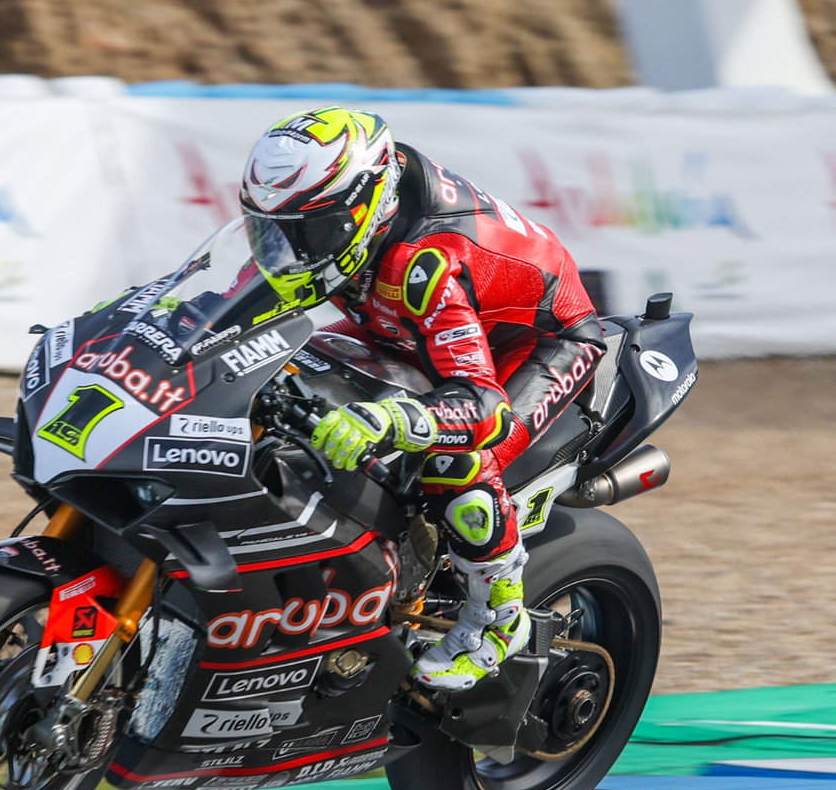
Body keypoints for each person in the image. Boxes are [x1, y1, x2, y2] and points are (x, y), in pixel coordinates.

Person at [239, 107, 606, 692]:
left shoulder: (424, 262)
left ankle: (495, 620)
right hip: (409, 326)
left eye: (304, 234)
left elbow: (481, 404)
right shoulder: (335, 216)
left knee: (453, 452)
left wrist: (391, 417)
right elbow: (235, 305)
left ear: (362, 210)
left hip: (535, 343)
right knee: (279, 373)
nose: (287, 251)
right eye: (270, 230)